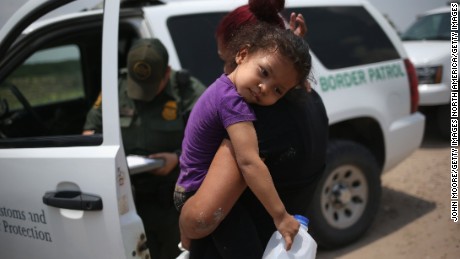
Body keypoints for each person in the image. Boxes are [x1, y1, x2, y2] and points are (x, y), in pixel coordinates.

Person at [177, 0, 328, 258]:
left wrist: (281, 216)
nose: (264, 89)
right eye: (263, 73)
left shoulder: (245, 108)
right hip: (194, 188)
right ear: (243, 54)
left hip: (198, 195)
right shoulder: (310, 101)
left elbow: (247, 164)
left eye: (278, 89)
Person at [82, 38, 206, 259]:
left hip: (172, 204)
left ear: (167, 73)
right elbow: (90, 131)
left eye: (150, 87)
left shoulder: (187, 91)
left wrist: (177, 158)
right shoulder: (116, 87)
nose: (141, 93)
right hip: (126, 201)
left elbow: (211, 143)